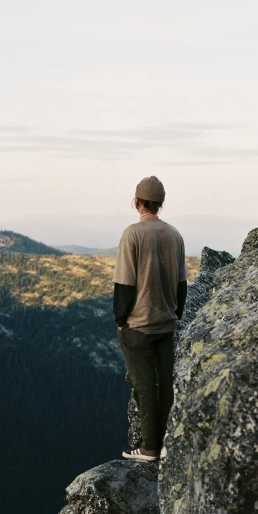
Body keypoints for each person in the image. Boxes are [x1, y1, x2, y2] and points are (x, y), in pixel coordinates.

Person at [113, 175, 188, 462]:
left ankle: (149, 448)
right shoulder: (174, 235)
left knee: (144, 385)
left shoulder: (133, 234)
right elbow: (181, 283)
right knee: (166, 384)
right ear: (161, 203)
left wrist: (121, 319)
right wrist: (176, 313)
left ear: (138, 201)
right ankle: (166, 442)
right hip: (166, 323)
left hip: (139, 325)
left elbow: (125, 283)